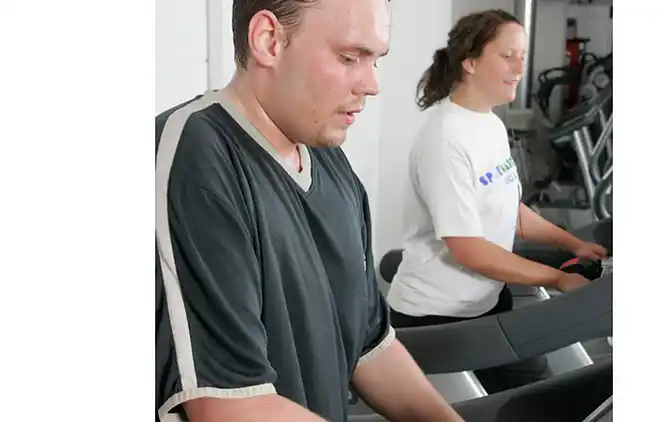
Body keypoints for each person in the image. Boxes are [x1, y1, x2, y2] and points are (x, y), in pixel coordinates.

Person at [155, 1, 465, 421]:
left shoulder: (329, 161)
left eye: (375, 60)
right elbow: (227, 406)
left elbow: (367, 345)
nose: (372, 85)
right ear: (269, 40)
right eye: (349, 57)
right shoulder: (195, 159)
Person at [385, 9, 609, 394]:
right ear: (470, 62)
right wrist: (556, 277)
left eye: (522, 55)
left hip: (486, 300)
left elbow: (511, 208)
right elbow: (468, 249)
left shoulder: (488, 122)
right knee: (533, 400)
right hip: (437, 317)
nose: (520, 66)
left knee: (537, 392)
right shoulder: (445, 139)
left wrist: (571, 243)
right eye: (508, 56)